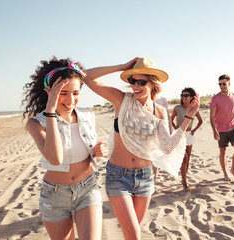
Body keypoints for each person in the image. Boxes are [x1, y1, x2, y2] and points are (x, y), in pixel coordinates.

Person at [83, 57, 199, 240]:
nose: (135, 85)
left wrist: (187, 120)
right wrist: (122, 67)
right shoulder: (122, 99)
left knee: (132, 233)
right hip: (118, 177)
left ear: (153, 84)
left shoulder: (159, 111)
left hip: (145, 177)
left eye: (141, 82)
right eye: (132, 81)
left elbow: (167, 146)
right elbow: (87, 77)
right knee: (134, 235)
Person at [22, 57, 107, 240]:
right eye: (63, 92)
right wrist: (51, 111)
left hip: (87, 188)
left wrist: (97, 151)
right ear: (49, 91)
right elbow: (55, 159)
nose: (71, 100)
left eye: (76, 93)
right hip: (54, 196)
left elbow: (87, 152)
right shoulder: (37, 123)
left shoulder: (87, 115)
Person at [210, 74, 234, 181]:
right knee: (223, 152)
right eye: (220, 84)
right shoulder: (215, 98)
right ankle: (225, 173)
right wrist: (214, 130)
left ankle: (233, 169)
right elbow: (211, 116)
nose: (221, 86)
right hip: (221, 130)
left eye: (224, 83)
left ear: (229, 84)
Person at [170, 88, 203, 191]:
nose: (183, 97)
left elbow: (200, 121)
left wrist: (194, 130)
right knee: (184, 158)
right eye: (182, 95)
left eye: (186, 95)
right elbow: (170, 120)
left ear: (192, 97)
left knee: (187, 159)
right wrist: (176, 129)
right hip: (180, 135)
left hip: (189, 135)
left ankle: (184, 177)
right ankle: (184, 182)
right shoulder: (177, 108)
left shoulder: (194, 109)